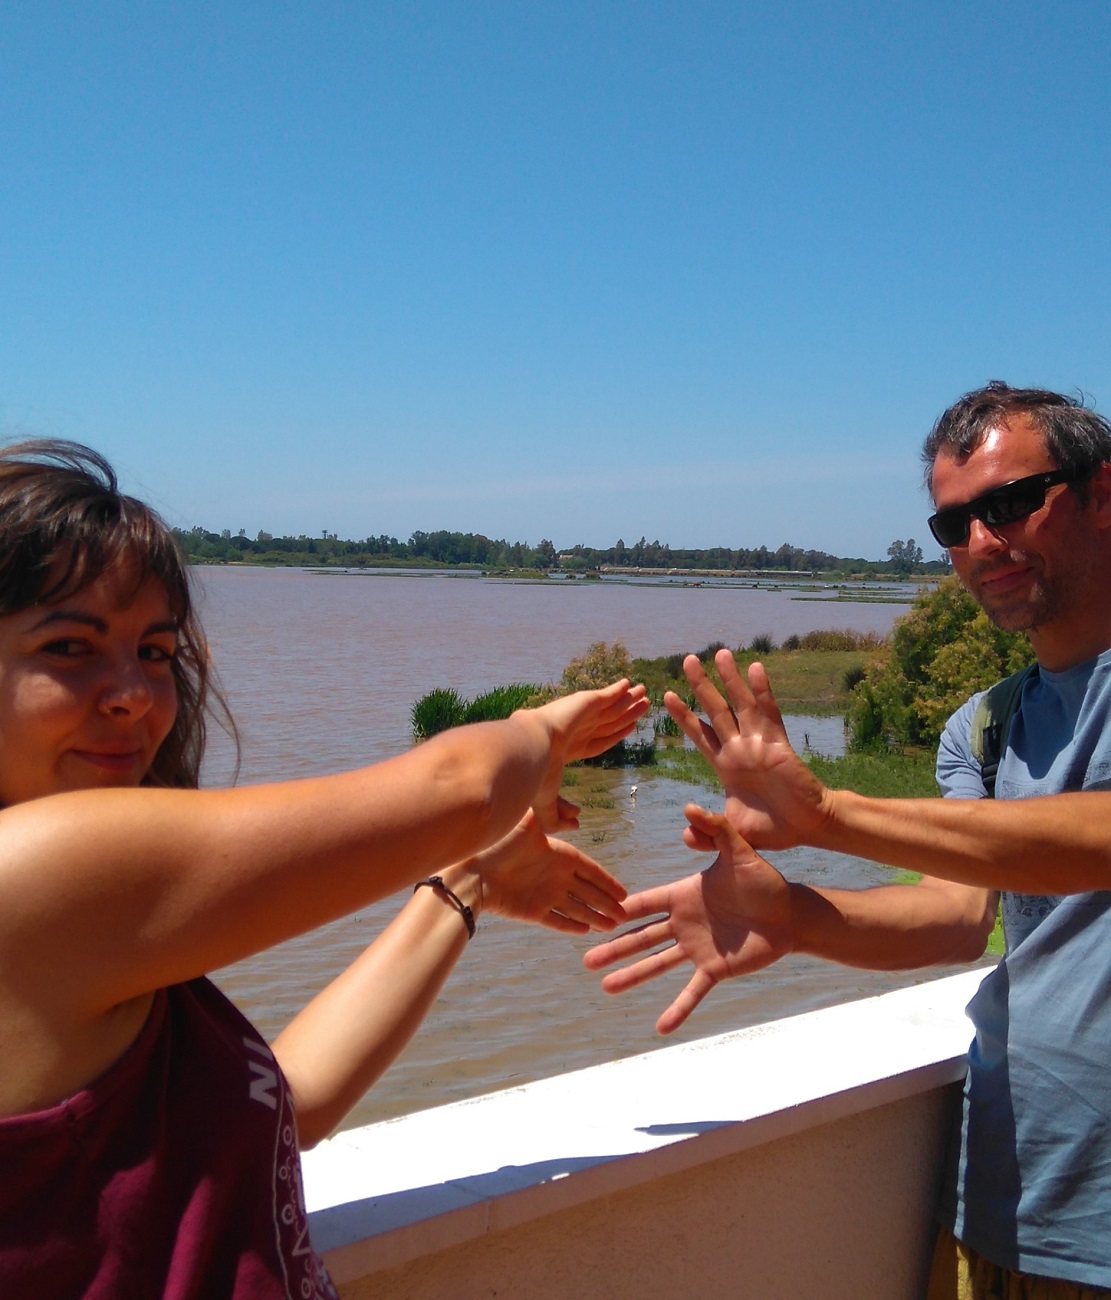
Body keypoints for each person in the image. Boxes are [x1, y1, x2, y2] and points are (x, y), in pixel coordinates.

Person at [0, 439, 649, 1298]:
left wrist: (467, 886)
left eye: (155, 652)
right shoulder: (43, 875)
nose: (135, 695)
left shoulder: (83, 928)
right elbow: (458, 789)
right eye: (71, 648)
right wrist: (541, 731)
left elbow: (289, 1104)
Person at [587, 382, 1111, 1297]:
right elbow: (954, 919)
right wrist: (793, 917)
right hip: (1007, 1209)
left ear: (1102, 494)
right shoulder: (981, 730)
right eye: (953, 525)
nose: (981, 543)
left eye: (1011, 503)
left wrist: (830, 814)